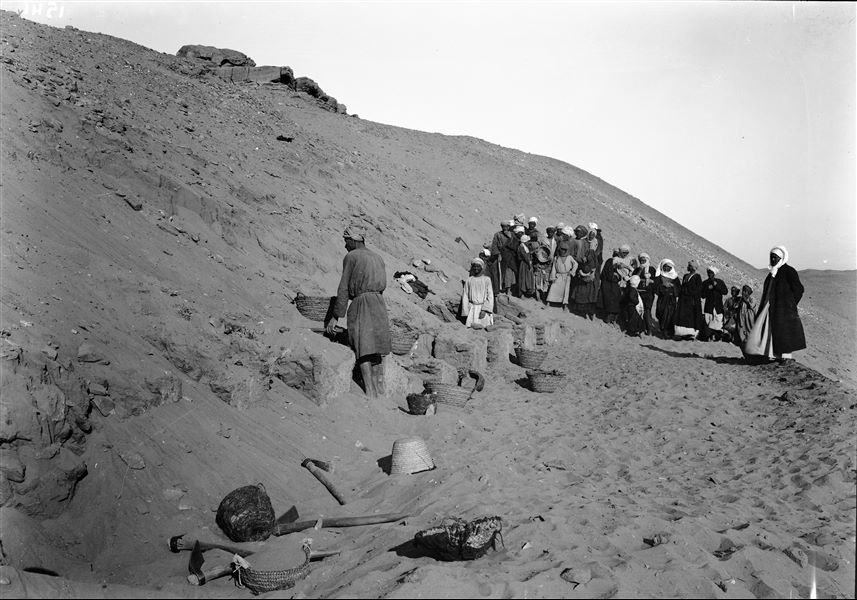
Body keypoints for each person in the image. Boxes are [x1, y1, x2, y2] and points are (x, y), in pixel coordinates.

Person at [326, 225, 392, 399]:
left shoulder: (352, 256)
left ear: (353, 240)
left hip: (361, 302)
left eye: (346, 241)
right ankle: (380, 391)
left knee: (363, 346)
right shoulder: (377, 257)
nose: (345, 245)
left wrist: (336, 316)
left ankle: (370, 391)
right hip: (378, 302)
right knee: (377, 347)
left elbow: (344, 287)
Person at [743, 246, 806, 362]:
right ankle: (770, 354)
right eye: (771, 257)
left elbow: (799, 289)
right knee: (769, 330)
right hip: (770, 307)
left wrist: (790, 303)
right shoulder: (772, 272)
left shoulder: (789, 271)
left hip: (783, 309)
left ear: (781, 258)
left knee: (784, 332)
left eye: (775, 257)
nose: (773, 260)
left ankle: (786, 357)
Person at [568, 227, 599, 319]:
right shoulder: (584, 242)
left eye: (593, 235)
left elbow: (594, 264)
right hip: (581, 268)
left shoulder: (593, 249)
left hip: (587, 272)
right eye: (590, 234)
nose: (591, 236)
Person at [674, 259, 704, 340]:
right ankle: (681, 334)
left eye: (690, 266)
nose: (688, 267)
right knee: (682, 316)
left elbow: (698, 289)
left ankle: (690, 334)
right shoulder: (685, 276)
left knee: (690, 317)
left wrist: (688, 292)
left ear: (693, 268)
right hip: (683, 300)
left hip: (692, 301)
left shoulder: (697, 277)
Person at [461, 258, 494, 329]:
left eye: (478, 266)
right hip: (472, 309)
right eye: (474, 266)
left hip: (483, 309)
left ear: (481, 267)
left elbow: (490, 296)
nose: (476, 268)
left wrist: (485, 310)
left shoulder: (486, 280)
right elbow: (465, 296)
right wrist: (466, 311)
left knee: (484, 329)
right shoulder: (469, 280)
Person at [653, 259, 681, 338]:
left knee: (670, 315)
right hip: (662, 299)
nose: (666, 269)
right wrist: (663, 286)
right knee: (661, 313)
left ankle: (668, 332)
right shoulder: (659, 276)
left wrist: (672, 286)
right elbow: (656, 287)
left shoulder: (675, 277)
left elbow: (679, 289)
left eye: (668, 267)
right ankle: (662, 330)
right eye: (665, 267)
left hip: (671, 300)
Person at [546, 242, 578, 311]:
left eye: (564, 249)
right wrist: (553, 277)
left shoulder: (569, 257)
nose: (563, 251)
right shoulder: (556, 257)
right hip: (558, 275)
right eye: (562, 249)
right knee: (553, 288)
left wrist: (572, 272)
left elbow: (576, 264)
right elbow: (554, 268)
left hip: (566, 276)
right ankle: (548, 302)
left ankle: (565, 305)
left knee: (565, 291)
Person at [701, 266, 728, 341]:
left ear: (714, 274)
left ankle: (717, 337)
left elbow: (725, 291)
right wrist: (707, 289)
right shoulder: (705, 283)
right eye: (708, 273)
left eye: (711, 273)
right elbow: (702, 295)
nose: (709, 274)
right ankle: (709, 337)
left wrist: (717, 286)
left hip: (718, 307)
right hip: (709, 307)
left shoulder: (720, 282)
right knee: (708, 322)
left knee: (718, 323)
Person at [634, 253, 657, 335]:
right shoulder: (637, 269)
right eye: (641, 260)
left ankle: (649, 329)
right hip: (639, 292)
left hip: (648, 293)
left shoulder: (652, 270)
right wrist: (640, 270)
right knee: (639, 310)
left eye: (644, 260)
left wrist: (648, 280)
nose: (642, 262)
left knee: (647, 311)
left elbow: (655, 281)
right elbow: (634, 279)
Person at [599, 248, 623, 324]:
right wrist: (615, 276)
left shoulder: (617, 262)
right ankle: (609, 318)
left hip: (613, 284)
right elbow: (608, 274)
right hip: (609, 285)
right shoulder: (610, 261)